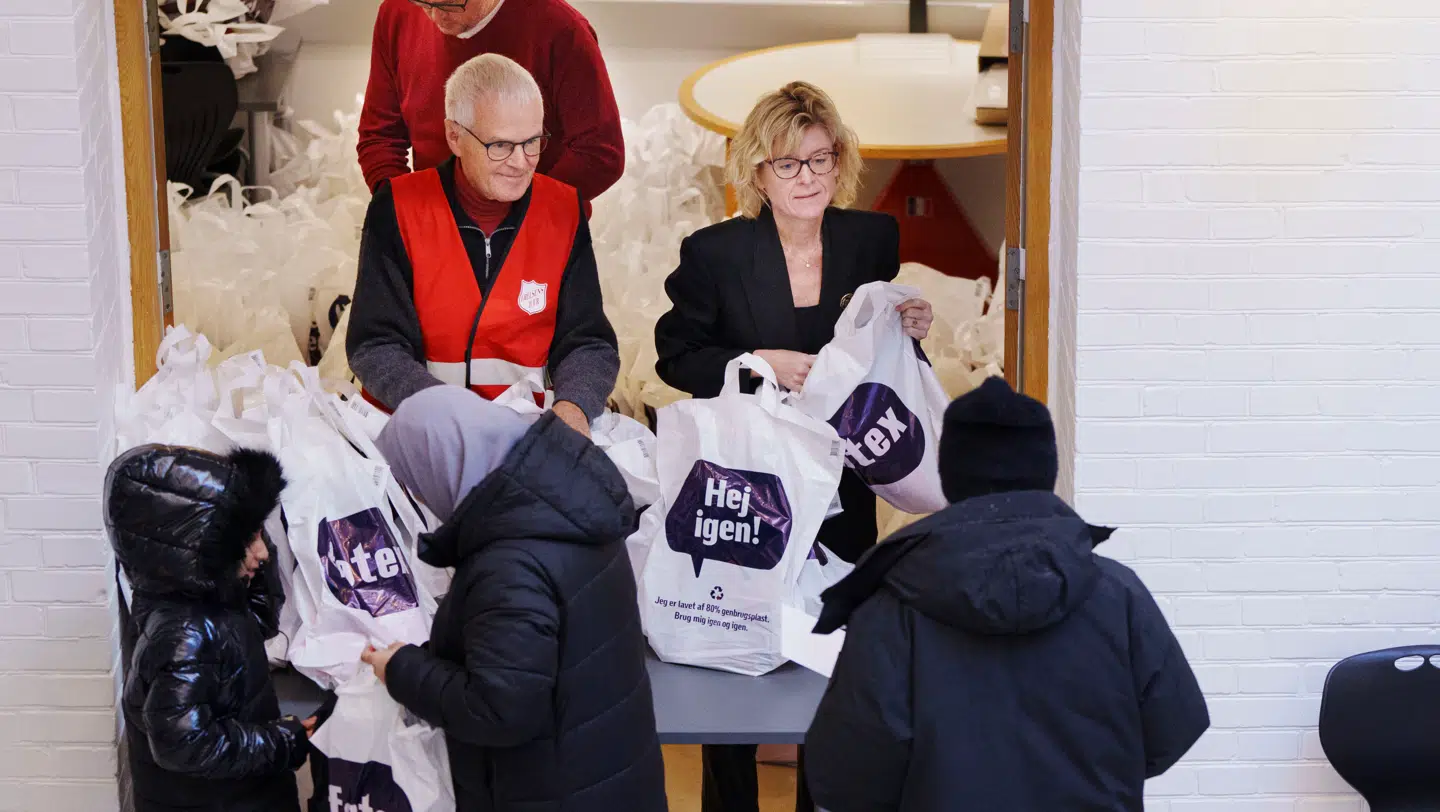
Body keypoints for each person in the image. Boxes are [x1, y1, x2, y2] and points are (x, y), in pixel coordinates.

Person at [653, 79, 933, 812]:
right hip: (749, 485)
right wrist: (757, 363)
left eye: (819, 159)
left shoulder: (872, 240)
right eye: (787, 164)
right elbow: (674, 358)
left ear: (841, 163)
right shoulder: (714, 252)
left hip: (842, 486)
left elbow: (880, 346)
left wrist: (912, 323)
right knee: (738, 646)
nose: (806, 177)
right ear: (756, 175)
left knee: (828, 657)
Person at [804, 377, 1211, 811]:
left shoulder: (891, 608)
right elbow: (1173, 731)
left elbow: (844, 778)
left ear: (951, 476)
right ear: (1046, 472)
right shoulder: (1119, 594)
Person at [360, 385, 668, 812]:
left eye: (416, 480)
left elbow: (501, 708)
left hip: (548, 790)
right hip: (607, 774)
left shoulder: (510, 564)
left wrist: (403, 671)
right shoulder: (572, 509)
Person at [348, 54, 619, 437]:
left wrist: (574, 407)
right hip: (417, 433)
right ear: (454, 137)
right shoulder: (398, 207)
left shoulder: (563, 210)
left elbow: (587, 342)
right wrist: (451, 416)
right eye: (500, 146)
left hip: (528, 434)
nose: (521, 162)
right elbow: (375, 345)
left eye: (532, 143)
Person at [106, 445, 316, 812]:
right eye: (247, 538)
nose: (263, 552)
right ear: (197, 548)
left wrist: (246, 550)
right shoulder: (183, 633)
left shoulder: (207, 602)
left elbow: (262, 620)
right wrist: (280, 742)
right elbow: (184, 744)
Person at [359, 0, 624, 202]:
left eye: (451, 2)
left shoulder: (561, 28)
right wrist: (398, 206)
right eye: (424, 2)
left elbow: (599, 155)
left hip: (537, 234)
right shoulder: (397, 12)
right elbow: (380, 137)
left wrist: (518, 213)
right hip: (433, 232)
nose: (437, 16)